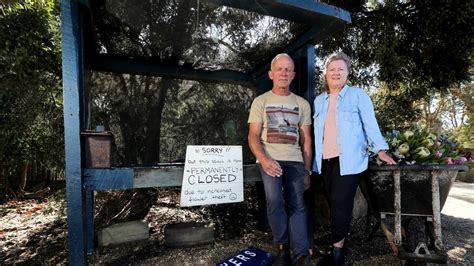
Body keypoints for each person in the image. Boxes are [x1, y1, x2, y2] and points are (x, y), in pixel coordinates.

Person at [312, 52, 396, 265]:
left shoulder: (358, 95)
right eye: (332, 69)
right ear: (325, 74)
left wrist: (381, 150)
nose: (336, 73)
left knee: (341, 205)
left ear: (348, 73)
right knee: (333, 203)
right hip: (324, 163)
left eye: (341, 69)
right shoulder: (318, 101)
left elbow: (370, 125)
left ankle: (337, 254)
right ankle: (339, 240)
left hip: (348, 162)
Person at [248, 53, 313, 266]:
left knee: (298, 205)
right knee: (275, 201)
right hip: (270, 159)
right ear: (271, 74)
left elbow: (306, 140)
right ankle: (282, 248)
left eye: (288, 69)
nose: (284, 73)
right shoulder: (261, 101)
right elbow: (253, 136)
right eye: (280, 69)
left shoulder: (302, 104)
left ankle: (301, 255)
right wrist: (264, 160)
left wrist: (307, 170)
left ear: (293, 75)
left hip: (295, 161)